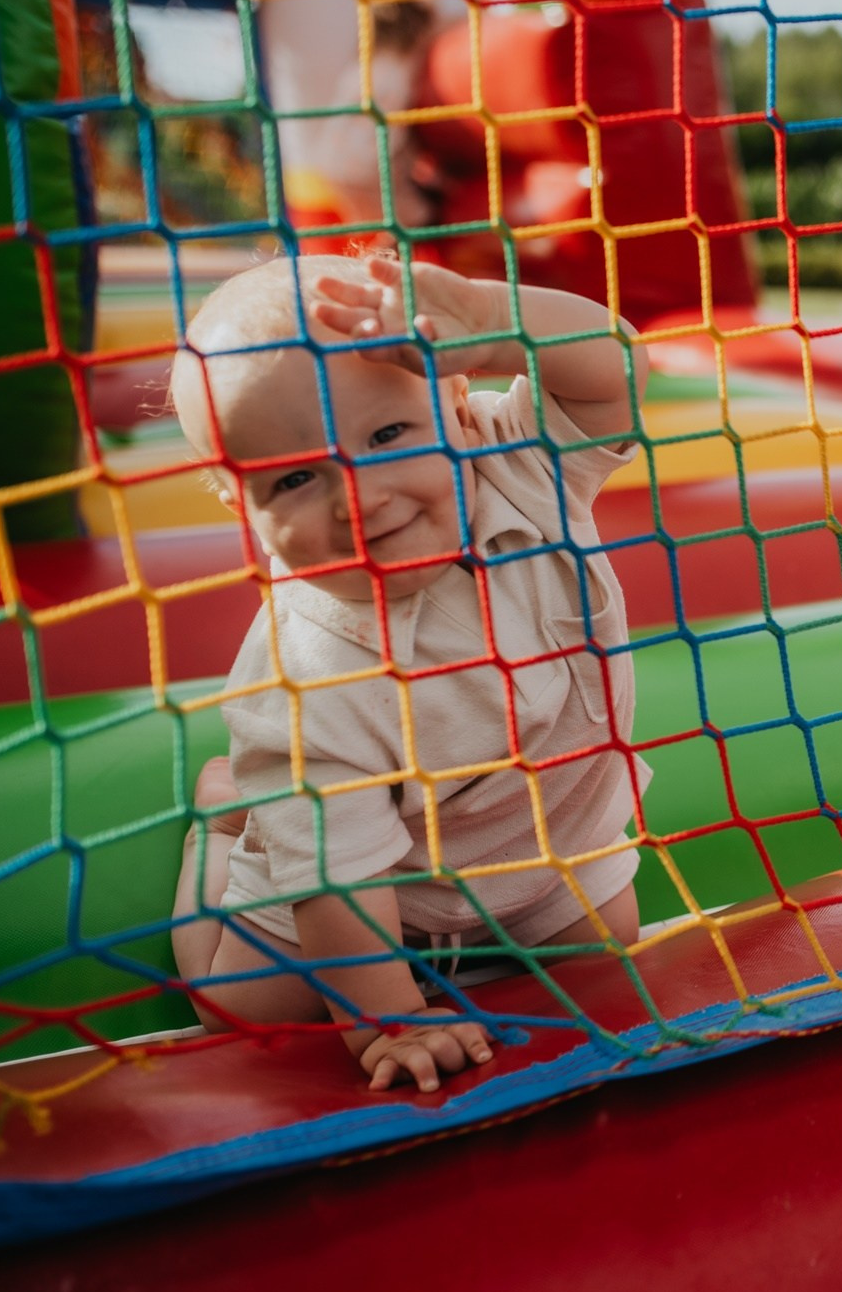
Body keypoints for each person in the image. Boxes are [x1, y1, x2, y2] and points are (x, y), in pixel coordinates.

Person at [168, 252, 653, 1093]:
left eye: (387, 435)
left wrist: (492, 317)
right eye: (294, 478)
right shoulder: (304, 671)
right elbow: (338, 877)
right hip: (373, 879)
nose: (361, 496)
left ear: (459, 406)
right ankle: (220, 828)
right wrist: (388, 1019)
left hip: (546, 850)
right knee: (234, 1004)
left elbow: (619, 375)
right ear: (235, 505)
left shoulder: (522, 468)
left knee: (612, 963)